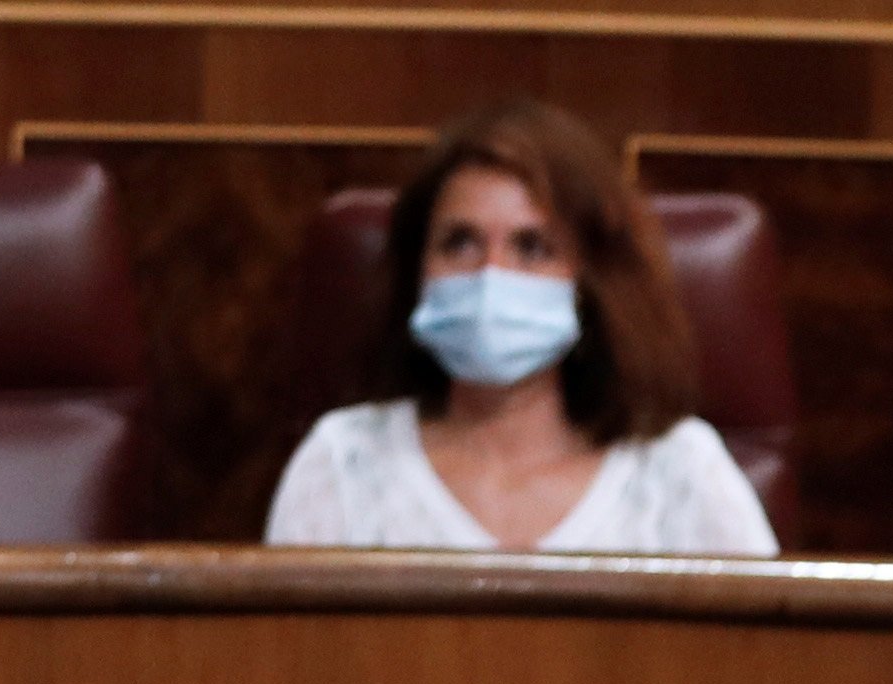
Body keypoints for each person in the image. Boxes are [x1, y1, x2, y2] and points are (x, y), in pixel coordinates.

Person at [260, 102, 776, 559]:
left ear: (587, 281)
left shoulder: (680, 473)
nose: (491, 276)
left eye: (532, 248)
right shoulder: (343, 465)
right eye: (460, 243)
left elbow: (761, 662)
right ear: (417, 270)